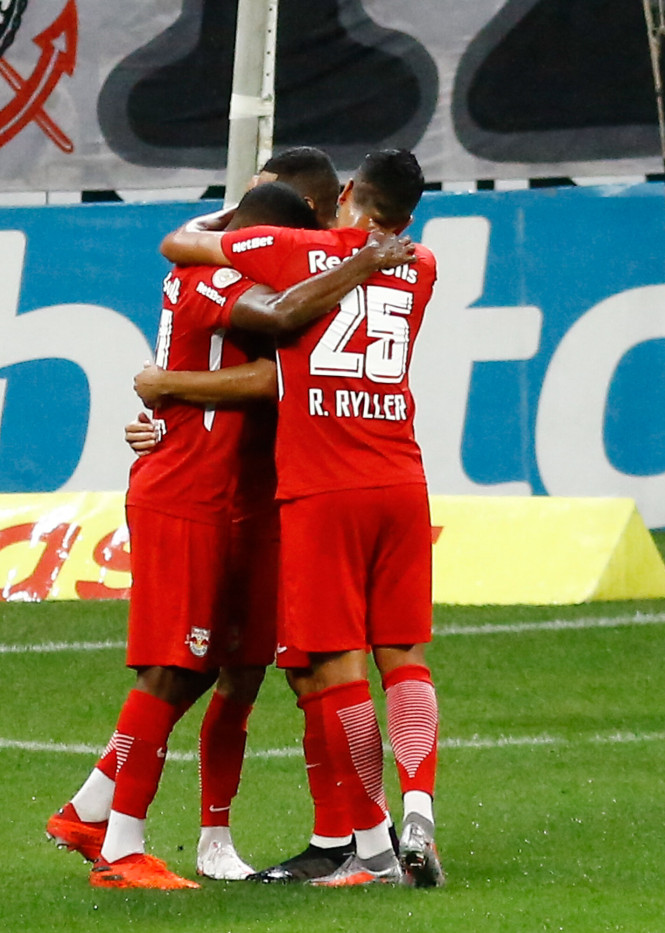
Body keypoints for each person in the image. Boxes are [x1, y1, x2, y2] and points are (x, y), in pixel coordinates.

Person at [44, 182, 415, 890]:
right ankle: (121, 847)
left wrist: (168, 385)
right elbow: (281, 366)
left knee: (235, 668)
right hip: (191, 495)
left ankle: (111, 812)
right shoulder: (215, 276)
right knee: (176, 666)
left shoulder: (242, 266)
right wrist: (361, 264)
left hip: (249, 498)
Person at [157, 149, 443, 887]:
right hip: (402, 477)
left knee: (337, 665)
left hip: (323, 488)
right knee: (405, 655)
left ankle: (374, 849)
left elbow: (181, 244)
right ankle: (420, 811)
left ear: (346, 195)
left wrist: (163, 383)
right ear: (407, 216)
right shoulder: (423, 267)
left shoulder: (299, 250)